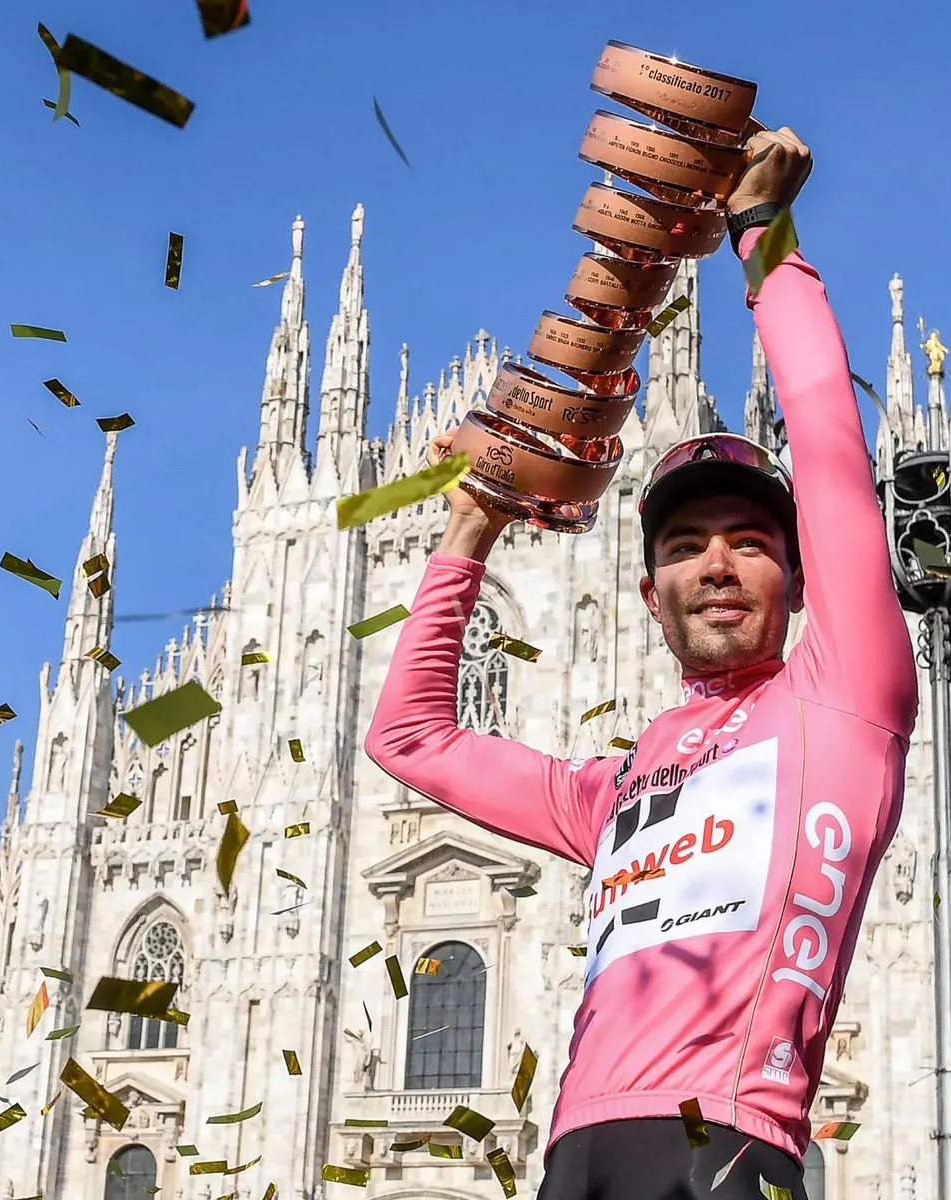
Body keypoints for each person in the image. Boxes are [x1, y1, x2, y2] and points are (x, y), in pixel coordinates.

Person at [364, 126, 919, 1199]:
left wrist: (763, 239)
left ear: (801, 580)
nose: (716, 565)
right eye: (683, 546)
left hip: (726, 1145)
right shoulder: (614, 788)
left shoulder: (842, 703)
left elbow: (825, 438)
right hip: (573, 1152)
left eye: (750, 541)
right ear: (647, 593)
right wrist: (472, 529)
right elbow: (410, 739)